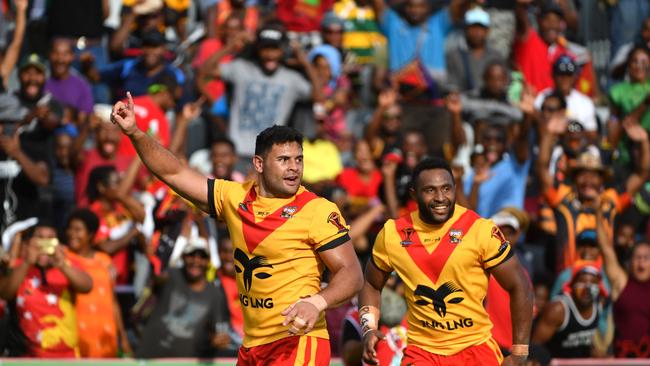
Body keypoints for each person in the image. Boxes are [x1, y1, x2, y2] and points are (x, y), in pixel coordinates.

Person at [110, 95, 363, 365]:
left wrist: (316, 303)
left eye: (298, 160)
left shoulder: (317, 210)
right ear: (259, 164)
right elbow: (173, 173)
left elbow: (351, 273)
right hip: (252, 346)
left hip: (298, 342)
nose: (294, 168)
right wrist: (135, 133)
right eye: (284, 159)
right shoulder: (233, 197)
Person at [359, 157, 533, 366]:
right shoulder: (392, 234)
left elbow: (519, 285)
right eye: (430, 190)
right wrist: (369, 328)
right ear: (414, 194)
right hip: (422, 352)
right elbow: (370, 283)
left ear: (454, 188)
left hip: (475, 349)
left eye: (446, 189)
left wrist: (520, 352)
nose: (440, 197)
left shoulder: (480, 230)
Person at [0, 220, 92, 357]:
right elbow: (5, 293)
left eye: (50, 239)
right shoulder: (19, 267)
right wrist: (27, 263)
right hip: (27, 356)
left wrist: (62, 265)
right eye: (39, 238)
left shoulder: (68, 265)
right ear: (29, 242)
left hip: (66, 356)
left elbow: (87, 286)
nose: (44, 244)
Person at [135, 236, 233, 358]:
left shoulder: (214, 294)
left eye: (202, 257)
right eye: (191, 255)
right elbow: (157, 276)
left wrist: (219, 340)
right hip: (149, 358)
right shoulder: (170, 276)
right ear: (183, 257)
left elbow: (217, 331)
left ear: (208, 261)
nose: (196, 261)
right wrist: (152, 258)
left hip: (185, 362)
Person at [64, 208, 131, 357]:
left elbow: (113, 301)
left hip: (105, 334)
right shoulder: (63, 258)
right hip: (76, 334)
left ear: (90, 234)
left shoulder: (104, 261)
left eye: (78, 230)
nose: (72, 234)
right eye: (70, 229)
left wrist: (123, 337)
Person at [596, 203, 650, 358]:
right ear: (630, 262)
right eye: (637, 258)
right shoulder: (622, 283)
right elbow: (606, 250)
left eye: (646, 258)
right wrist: (598, 214)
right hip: (621, 357)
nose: (641, 263)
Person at [531, 262, 603, 358]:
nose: (587, 288)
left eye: (593, 282)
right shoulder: (558, 309)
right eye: (582, 281)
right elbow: (535, 347)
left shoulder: (599, 305)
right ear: (572, 284)